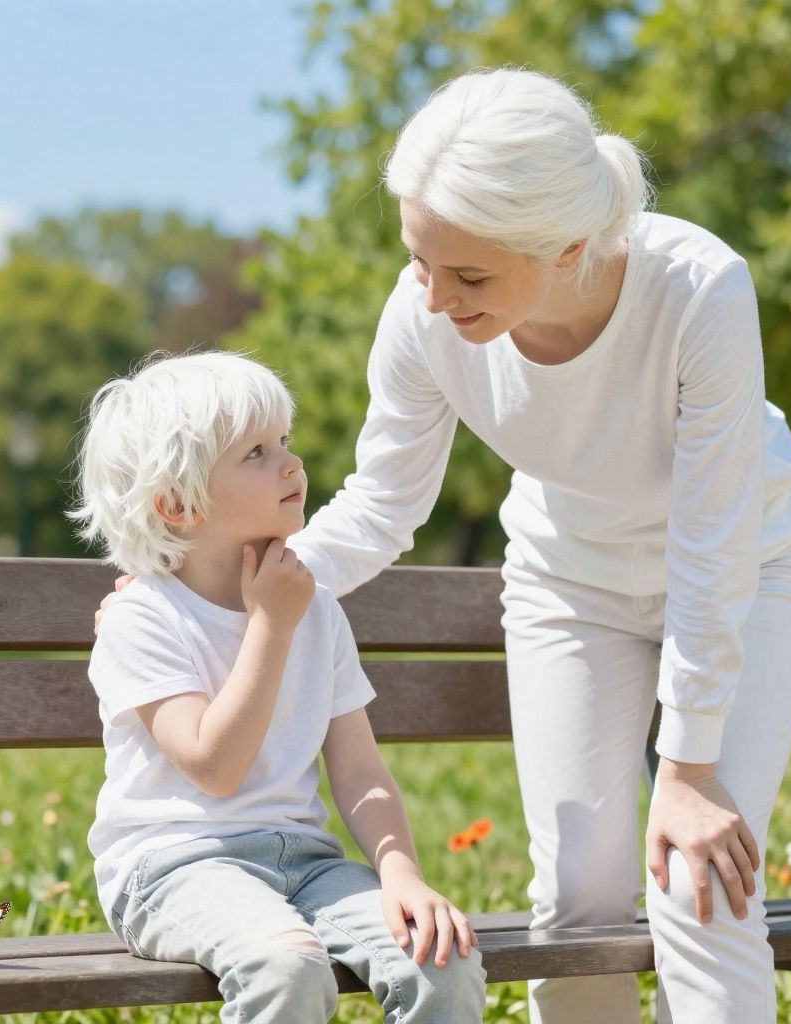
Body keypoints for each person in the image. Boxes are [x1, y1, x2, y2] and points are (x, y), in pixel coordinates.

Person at [99, 66, 791, 1023]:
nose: (435, 299)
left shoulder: (698, 289)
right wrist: (220, 585)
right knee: (579, 902)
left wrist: (687, 771)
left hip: (747, 569)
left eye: (470, 274)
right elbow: (380, 507)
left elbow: (713, 538)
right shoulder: (424, 316)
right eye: (418, 262)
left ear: (567, 246)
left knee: (700, 878)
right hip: (570, 582)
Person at [71, 351, 487, 1023]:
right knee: (285, 965)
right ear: (178, 504)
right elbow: (216, 766)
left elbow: (360, 768)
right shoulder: (141, 619)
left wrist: (401, 873)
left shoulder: (315, 606)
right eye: (256, 453)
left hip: (308, 863)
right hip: (175, 868)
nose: (291, 463)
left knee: (443, 957)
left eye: (285, 442)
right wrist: (271, 623)